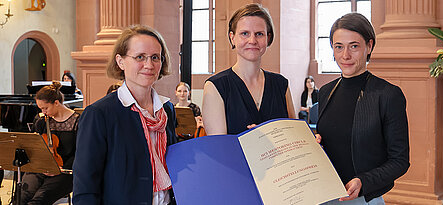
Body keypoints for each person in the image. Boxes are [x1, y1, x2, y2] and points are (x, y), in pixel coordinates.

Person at [73, 25, 177, 205]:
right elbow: (86, 187)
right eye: (140, 57)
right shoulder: (99, 114)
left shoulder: (166, 109)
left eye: (155, 57)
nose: (149, 65)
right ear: (120, 61)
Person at [315, 13, 410, 204]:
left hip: (363, 198)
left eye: (354, 46)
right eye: (338, 47)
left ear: (369, 46)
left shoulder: (388, 95)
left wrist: (364, 182)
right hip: (323, 195)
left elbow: (399, 161)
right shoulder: (325, 92)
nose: (345, 55)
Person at [202, 3, 295, 135]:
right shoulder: (216, 86)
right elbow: (220, 148)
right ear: (232, 37)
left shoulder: (281, 84)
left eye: (259, 34)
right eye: (245, 33)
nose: (252, 40)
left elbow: (294, 136)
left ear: (268, 38)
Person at [20, 81, 80, 205]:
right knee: (22, 195)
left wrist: (60, 168)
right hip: (42, 167)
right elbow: (36, 148)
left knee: (40, 198)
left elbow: (80, 153)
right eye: (41, 108)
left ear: (56, 103)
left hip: (66, 171)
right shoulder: (42, 122)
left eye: (45, 108)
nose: (43, 111)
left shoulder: (77, 122)